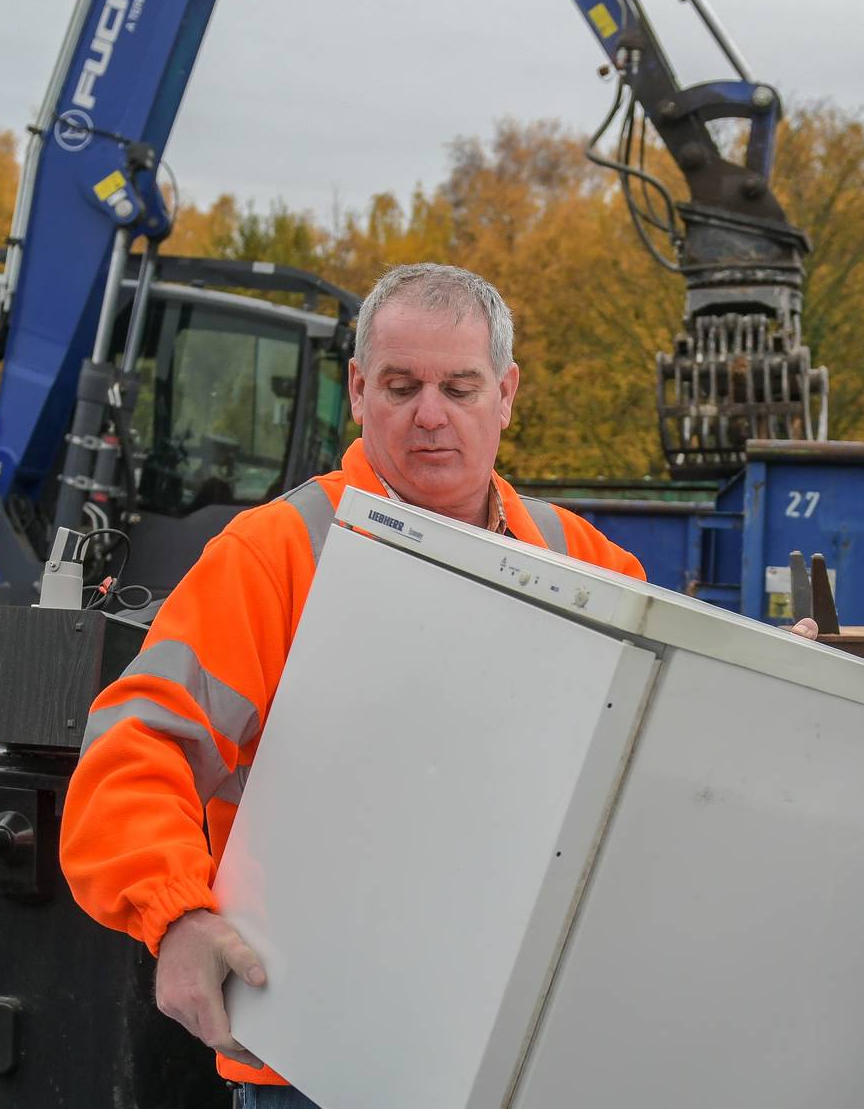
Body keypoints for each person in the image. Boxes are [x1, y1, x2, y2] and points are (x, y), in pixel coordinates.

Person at [57, 263, 655, 1108]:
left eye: (460, 386)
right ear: (358, 388)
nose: (431, 416)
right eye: (403, 387)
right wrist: (175, 914)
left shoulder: (585, 564)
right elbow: (135, 747)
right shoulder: (278, 554)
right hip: (317, 1054)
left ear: (507, 393)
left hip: (521, 1054)